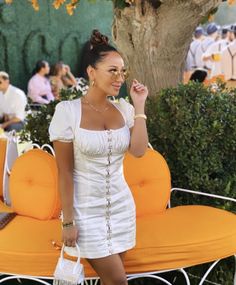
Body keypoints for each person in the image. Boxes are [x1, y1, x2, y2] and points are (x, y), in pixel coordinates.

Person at [49, 29, 148, 285]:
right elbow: (65, 172)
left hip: (122, 208)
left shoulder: (124, 109)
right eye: (112, 70)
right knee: (118, 281)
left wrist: (139, 106)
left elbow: (138, 151)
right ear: (92, 72)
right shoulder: (67, 112)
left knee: (110, 281)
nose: (120, 77)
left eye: (122, 71)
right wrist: (68, 221)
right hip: (85, 213)